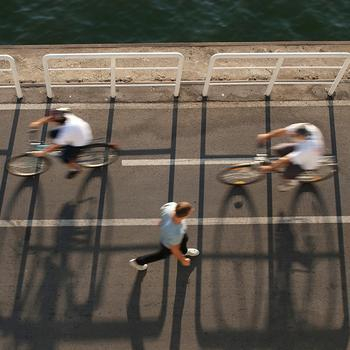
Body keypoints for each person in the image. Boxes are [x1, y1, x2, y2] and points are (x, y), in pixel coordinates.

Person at [129, 201, 200, 271]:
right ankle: (138, 262)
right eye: (190, 211)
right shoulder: (177, 232)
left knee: (184, 238)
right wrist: (183, 260)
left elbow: (163, 209)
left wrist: (163, 222)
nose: (192, 211)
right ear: (185, 215)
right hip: (169, 242)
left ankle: (184, 251)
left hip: (171, 233)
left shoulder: (170, 206)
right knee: (162, 255)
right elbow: (174, 249)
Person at [257, 122, 325, 191]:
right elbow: (283, 131)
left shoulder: (307, 149)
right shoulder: (305, 127)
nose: (292, 136)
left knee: (287, 174)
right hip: (302, 146)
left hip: (308, 162)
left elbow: (285, 159)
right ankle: (281, 167)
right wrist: (267, 136)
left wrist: (270, 167)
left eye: (295, 136)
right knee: (279, 149)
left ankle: (291, 182)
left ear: (302, 137)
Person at [30, 108, 93, 179]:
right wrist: (38, 122)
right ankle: (65, 146)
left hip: (80, 141)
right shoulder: (66, 115)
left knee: (65, 158)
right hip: (81, 129)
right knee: (52, 133)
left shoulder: (66, 132)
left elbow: (55, 146)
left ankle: (76, 169)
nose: (53, 120)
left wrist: (42, 152)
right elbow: (52, 118)